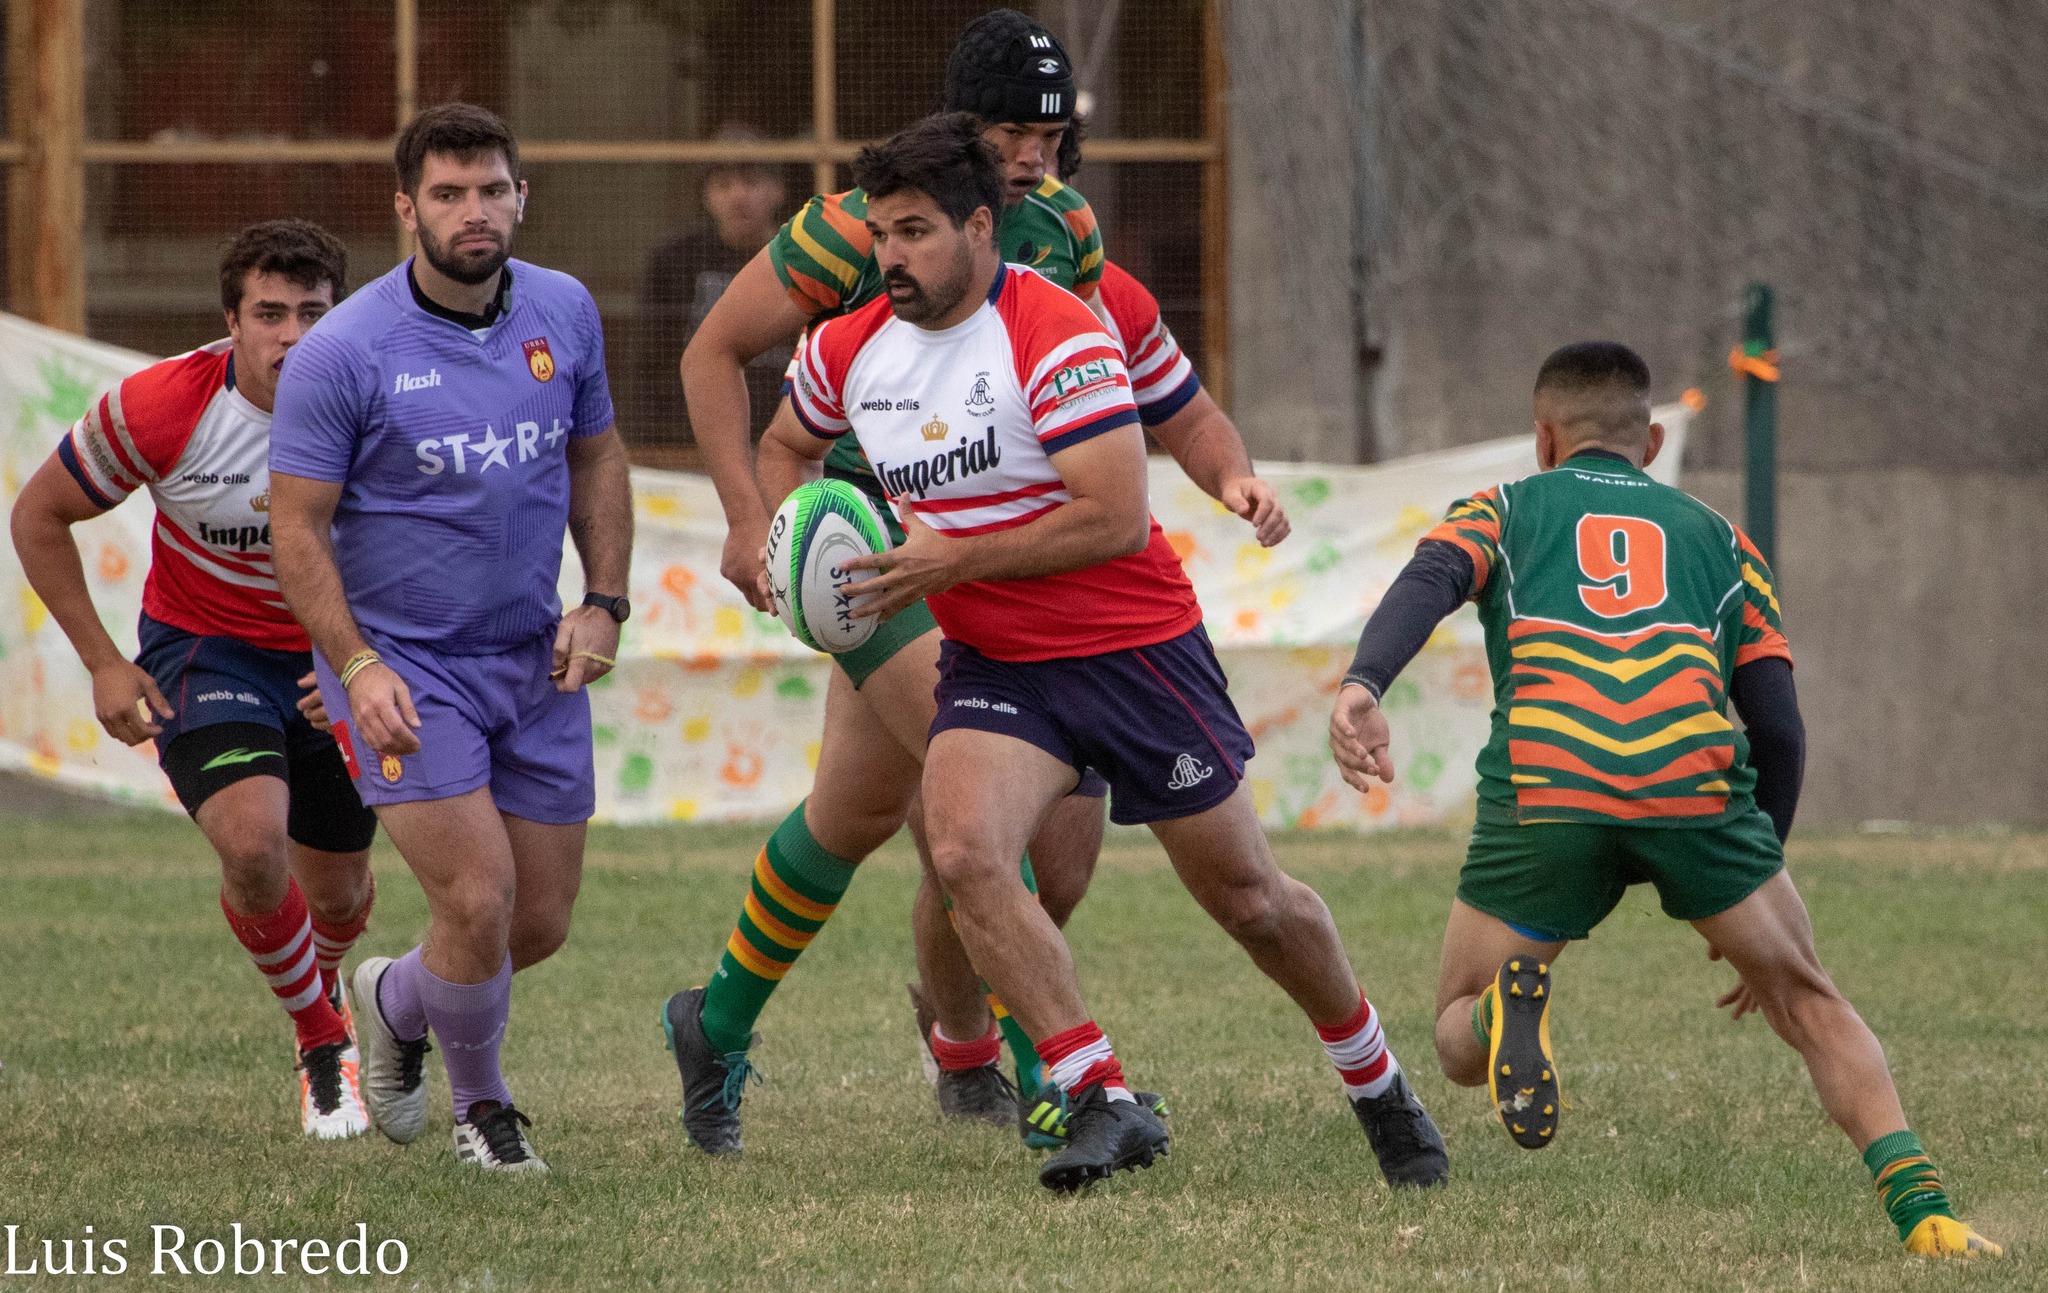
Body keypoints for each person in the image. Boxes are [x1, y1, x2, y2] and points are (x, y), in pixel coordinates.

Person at [702, 113, 1447, 1193]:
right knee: (964, 856)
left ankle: (1376, 1081)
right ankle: (1096, 1094)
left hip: (1130, 651)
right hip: (997, 666)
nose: (890, 258)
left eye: (914, 232)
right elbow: (783, 441)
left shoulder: (1055, 332)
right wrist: (792, 537)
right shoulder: (850, 347)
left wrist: (945, 562)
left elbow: (1111, 516)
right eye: (878, 235)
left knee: (1251, 903)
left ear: (975, 225)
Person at [1327, 341, 2002, 1257]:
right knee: (1809, 1001)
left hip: (1550, 783)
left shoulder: (1504, 507)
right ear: (1649, 440)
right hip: (1694, 788)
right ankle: (1927, 1216)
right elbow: (1780, 727)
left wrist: (1366, 682)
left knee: (1454, 1031)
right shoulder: (1724, 540)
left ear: (1542, 439)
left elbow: (1430, 578)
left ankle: (1501, 1012)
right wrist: (1759, 874)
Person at [268, 103, 634, 1174]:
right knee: (476, 898)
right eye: (446, 194)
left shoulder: (563, 311)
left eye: (490, 190)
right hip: (402, 666)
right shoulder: (343, 352)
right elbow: (296, 528)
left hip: (533, 652)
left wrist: (602, 599)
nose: (472, 212)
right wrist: (355, 665)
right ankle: (487, 1111)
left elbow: (597, 459)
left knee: (535, 925)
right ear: (405, 210)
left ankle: (392, 994)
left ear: (521, 196)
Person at [10, 220, 378, 1141]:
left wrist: (358, 663)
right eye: (269, 314)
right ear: (231, 320)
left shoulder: (386, 403)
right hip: (205, 649)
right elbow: (39, 515)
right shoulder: (162, 404)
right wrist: (103, 660)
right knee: (254, 848)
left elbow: (429, 550)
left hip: (337, 657)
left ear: (342, 318)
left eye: (312, 313)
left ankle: (318, 980)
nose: (292, 336)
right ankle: (322, 1042)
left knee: (342, 897)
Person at [638, 125, 794, 442]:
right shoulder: (675, 259)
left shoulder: (804, 254)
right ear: (706, 196)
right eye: (723, 185)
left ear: (778, 190)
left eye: (751, 182)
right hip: (692, 437)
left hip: (789, 436)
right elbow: (650, 362)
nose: (739, 195)